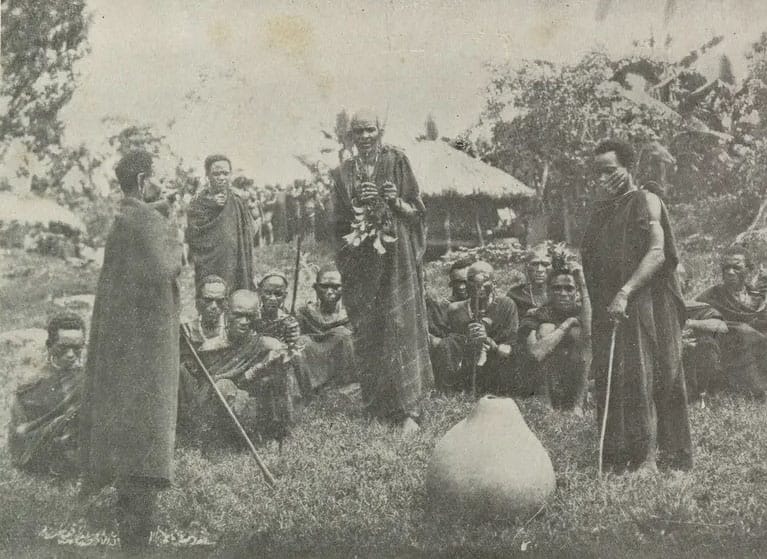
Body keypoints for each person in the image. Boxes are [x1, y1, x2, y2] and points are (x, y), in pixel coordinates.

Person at [79, 150, 182, 549]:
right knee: (144, 434)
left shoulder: (128, 217)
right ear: (142, 181)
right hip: (143, 352)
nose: (165, 184)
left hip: (132, 344)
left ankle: (134, 525)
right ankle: (136, 538)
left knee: (133, 435)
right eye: (159, 178)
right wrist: (165, 223)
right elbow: (164, 267)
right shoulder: (143, 221)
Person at [582, 139, 692, 473]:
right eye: (597, 173)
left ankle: (650, 459)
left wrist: (626, 291)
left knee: (647, 375)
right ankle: (621, 454)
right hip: (612, 307)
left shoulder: (647, 199)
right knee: (620, 378)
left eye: (610, 171)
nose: (603, 179)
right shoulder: (602, 211)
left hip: (647, 304)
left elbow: (657, 252)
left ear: (629, 168)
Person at [331, 109, 433, 435]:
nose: (364, 137)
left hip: (396, 257)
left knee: (401, 324)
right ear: (350, 135)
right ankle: (377, 405)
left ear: (380, 131)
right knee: (370, 327)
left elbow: (418, 211)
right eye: (358, 131)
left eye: (369, 131)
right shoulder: (344, 173)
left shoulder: (397, 161)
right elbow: (335, 223)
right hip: (362, 261)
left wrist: (395, 202)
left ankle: (409, 412)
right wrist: (357, 203)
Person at [180, 290, 300, 445]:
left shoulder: (267, 345)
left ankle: (277, 431)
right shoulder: (210, 347)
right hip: (221, 411)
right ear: (227, 314)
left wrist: (284, 354)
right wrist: (257, 368)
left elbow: (286, 377)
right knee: (223, 386)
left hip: (256, 407)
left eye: (249, 316)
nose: (244, 322)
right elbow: (206, 387)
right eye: (238, 315)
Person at [8, 313, 85, 477]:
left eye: (77, 348)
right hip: (40, 456)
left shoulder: (88, 379)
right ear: (50, 346)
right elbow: (20, 436)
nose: (71, 354)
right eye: (63, 347)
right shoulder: (30, 385)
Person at [687, 246, 767, 399]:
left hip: (758, 348)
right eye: (726, 268)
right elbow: (695, 310)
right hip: (729, 352)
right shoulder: (712, 294)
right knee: (743, 331)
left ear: (749, 269)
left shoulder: (757, 297)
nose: (730, 272)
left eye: (736, 267)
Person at [519, 261, 592, 414]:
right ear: (548, 292)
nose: (563, 293)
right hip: (545, 379)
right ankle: (546, 403)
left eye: (569, 288)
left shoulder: (583, 312)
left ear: (577, 292)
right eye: (557, 288)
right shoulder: (537, 314)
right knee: (547, 328)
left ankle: (577, 405)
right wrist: (566, 324)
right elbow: (535, 353)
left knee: (582, 333)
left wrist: (583, 284)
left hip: (576, 375)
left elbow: (590, 333)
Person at [441, 261, 518, 395]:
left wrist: (488, 341)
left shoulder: (506, 305)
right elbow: (453, 349)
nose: (479, 286)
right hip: (468, 367)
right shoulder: (456, 309)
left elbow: (509, 348)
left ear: (494, 284)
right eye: (472, 281)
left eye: (485, 281)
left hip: (497, 364)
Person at [186, 154, 255, 296]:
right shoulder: (198, 202)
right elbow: (193, 234)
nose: (222, 178)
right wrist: (211, 206)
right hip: (210, 263)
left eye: (225, 173)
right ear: (207, 175)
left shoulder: (237, 201)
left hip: (235, 259)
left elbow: (249, 230)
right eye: (216, 174)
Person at [296, 265, 357, 392]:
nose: (329, 292)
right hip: (313, 362)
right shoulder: (305, 312)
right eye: (324, 286)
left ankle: (344, 384)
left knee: (344, 335)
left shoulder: (350, 314)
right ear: (315, 287)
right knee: (302, 341)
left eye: (335, 287)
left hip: (338, 365)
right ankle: (310, 387)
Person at [507, 244, 552, 316]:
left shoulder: (560, 292)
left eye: (545, 264)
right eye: (534, 264)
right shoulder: (515, 295)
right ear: (526, 267)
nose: (540, 269)